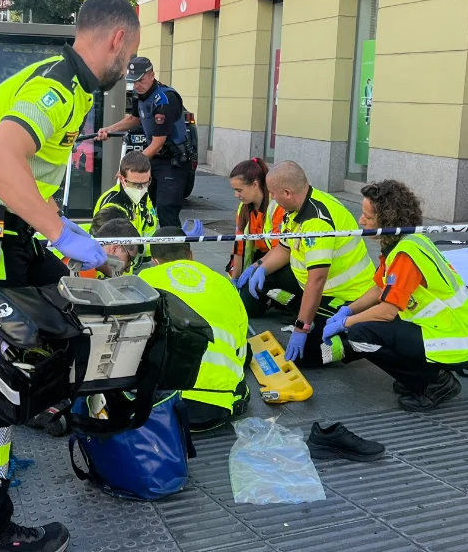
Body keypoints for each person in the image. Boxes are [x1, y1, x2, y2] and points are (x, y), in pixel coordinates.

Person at [0, 0, 138, 552]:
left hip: (1, 236)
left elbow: (25, 180)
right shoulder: (59, 88)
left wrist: (59, 235)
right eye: (132, 50)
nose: (129, 64)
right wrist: (64, 236)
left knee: (60, 312)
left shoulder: (63, 81)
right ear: (117, 38)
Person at [321, 180, 468, 412]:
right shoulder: (403, 243)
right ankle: (421, 376)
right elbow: (380, 289)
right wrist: (348, 309)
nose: (361, 221)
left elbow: (388, 310)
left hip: (455, 338)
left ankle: (435, 383)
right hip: (449, 328)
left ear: (388, 219)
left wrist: (346, 323)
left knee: (361, 334)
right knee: (367, 326)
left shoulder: (404, 254)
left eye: (367, 216)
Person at [238, 161, 375, 367]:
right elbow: (284, 249)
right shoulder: (295, 208)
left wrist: (302, 328)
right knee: (257, 286)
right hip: (313, 283)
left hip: (345, 295)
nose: (272, 199)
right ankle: (298, 305)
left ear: (287, 192)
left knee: (306, 353)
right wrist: (259, 267)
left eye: (273, 194)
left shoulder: (317, 222)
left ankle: (352, 344)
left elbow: (317, 279)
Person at [139, 229, 248, 431]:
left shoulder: (145, 279)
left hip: (162, 406)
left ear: (155, 260)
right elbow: (242, 352)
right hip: (218, 407)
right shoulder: (224, 283)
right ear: (190, 254)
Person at [95, 57, 189, 227]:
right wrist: (109, 129)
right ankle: (147, 249)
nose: (137, 85)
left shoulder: (165, 100)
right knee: (145, 205)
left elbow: (158, 143)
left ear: (152, 75)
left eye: (141, 80)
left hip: (173, 162)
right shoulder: (141, 95)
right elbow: (133, 119)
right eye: (133, 81)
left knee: (166, 209)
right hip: (155, 159)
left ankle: (174, 251)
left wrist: (131, 168)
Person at [227, 158, 291, 316]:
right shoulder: (244, 208)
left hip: (280, 258)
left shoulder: (276, 207)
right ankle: (269, 298)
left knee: (257, 293)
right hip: (260, 258)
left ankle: (289, 302)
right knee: (246, 305)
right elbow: (239, 246)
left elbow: (280, 248)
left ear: (255, 184)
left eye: (239, 190)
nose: (236, 195)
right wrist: (235, 280)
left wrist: (255, 267)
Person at [92, 151, 157, 267]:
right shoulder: (112, 205)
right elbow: (115, 250)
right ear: (122, 179)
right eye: (135, 184)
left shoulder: (143, 196)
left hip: (136, 262)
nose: (141, 189)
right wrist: (163, 245)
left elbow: (148, 228)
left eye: (146, 183)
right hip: (117, 268)